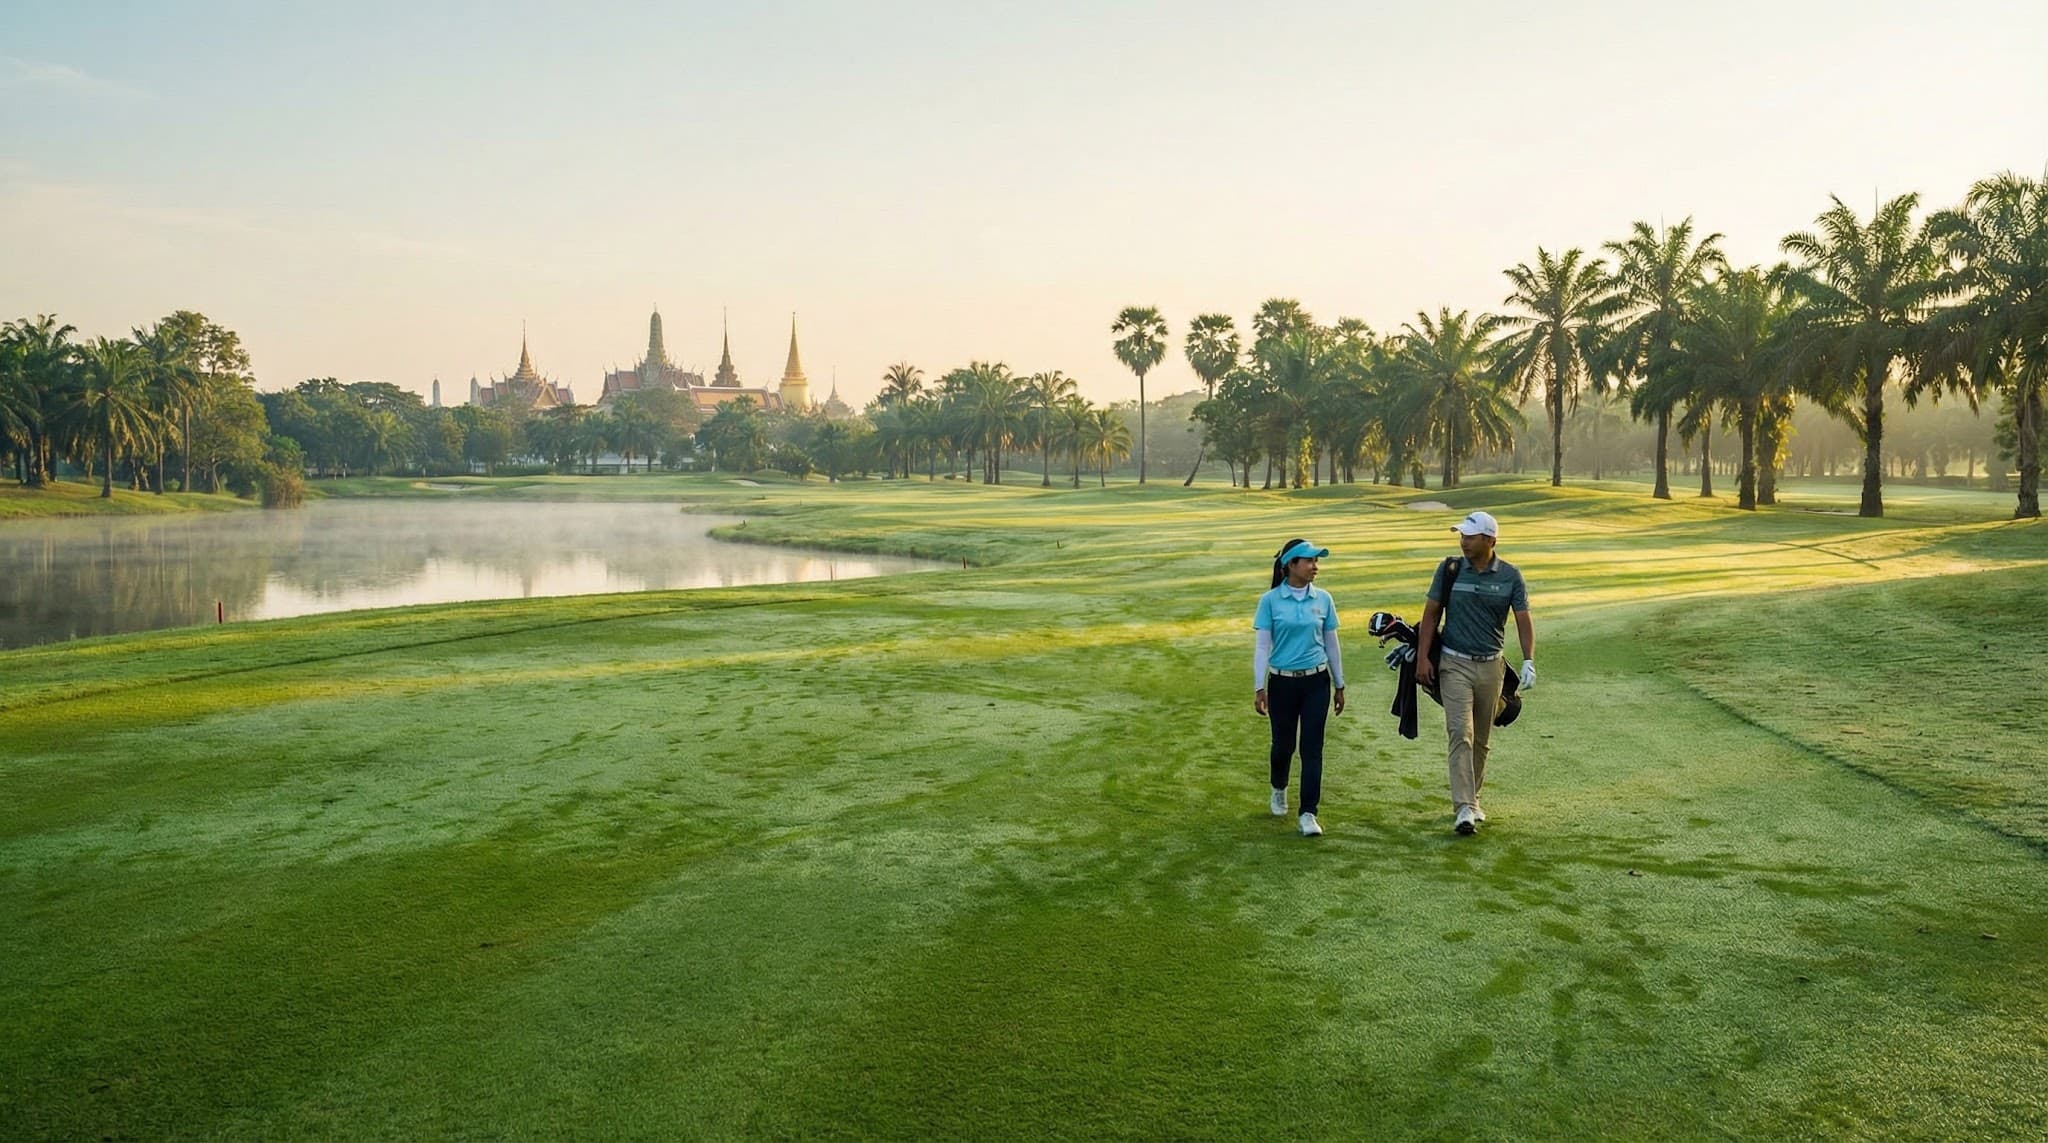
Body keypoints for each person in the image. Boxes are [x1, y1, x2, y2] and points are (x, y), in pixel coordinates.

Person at [1413, 511, 1535, 836]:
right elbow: (1430, 614)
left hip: (1491, 666)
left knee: (1481, 738)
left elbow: (1523, 618)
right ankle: (1464, 807)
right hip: (1453, 663)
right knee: (1461, 733)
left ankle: (1474, 798)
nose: (1463, 541)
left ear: (1490, 540)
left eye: (1470, 536)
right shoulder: (1450, 569)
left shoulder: (1511, 576)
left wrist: (1528, 660)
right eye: (1461, 536)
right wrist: (1423, 657)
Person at [1253, 538, 1346, 837]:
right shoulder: (1270, 601)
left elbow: (1332, 643)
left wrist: (1340, 684)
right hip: (1281, 683)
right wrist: (1259, 687)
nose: (1315, 566)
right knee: (1283, 746)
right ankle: (1279, 787)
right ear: (1290, 565)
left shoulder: (1324, 600)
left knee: (1312, 748)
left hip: (1316, 682)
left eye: (1317, 561)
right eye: (1309, 560)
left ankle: (1308, 812)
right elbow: (1262, 647)